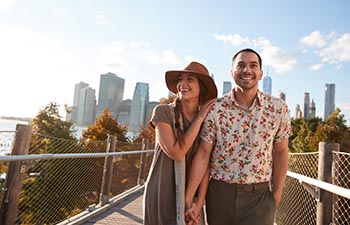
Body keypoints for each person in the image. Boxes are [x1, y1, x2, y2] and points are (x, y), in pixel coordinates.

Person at [185, 48, 293, 225]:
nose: (247, 70)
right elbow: (203, 154)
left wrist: (276, 194)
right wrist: (192, 199)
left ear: (260, 74)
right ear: (231, 72)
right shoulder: (215, 108)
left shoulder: (278, 108)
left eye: (253, 65)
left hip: (259, 198)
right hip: (220, 194)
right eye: (241, 65)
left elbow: (281, 152)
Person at [143, 61, 218, 225]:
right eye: (180, 79)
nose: (182, 84)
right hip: (162, 192)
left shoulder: (209, 121)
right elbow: (177, 152)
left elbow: (206, 165)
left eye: (190, 79)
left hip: (192, 196)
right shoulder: (163, 112)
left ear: (202, 87)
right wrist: (199, 119)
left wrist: (199, 203)